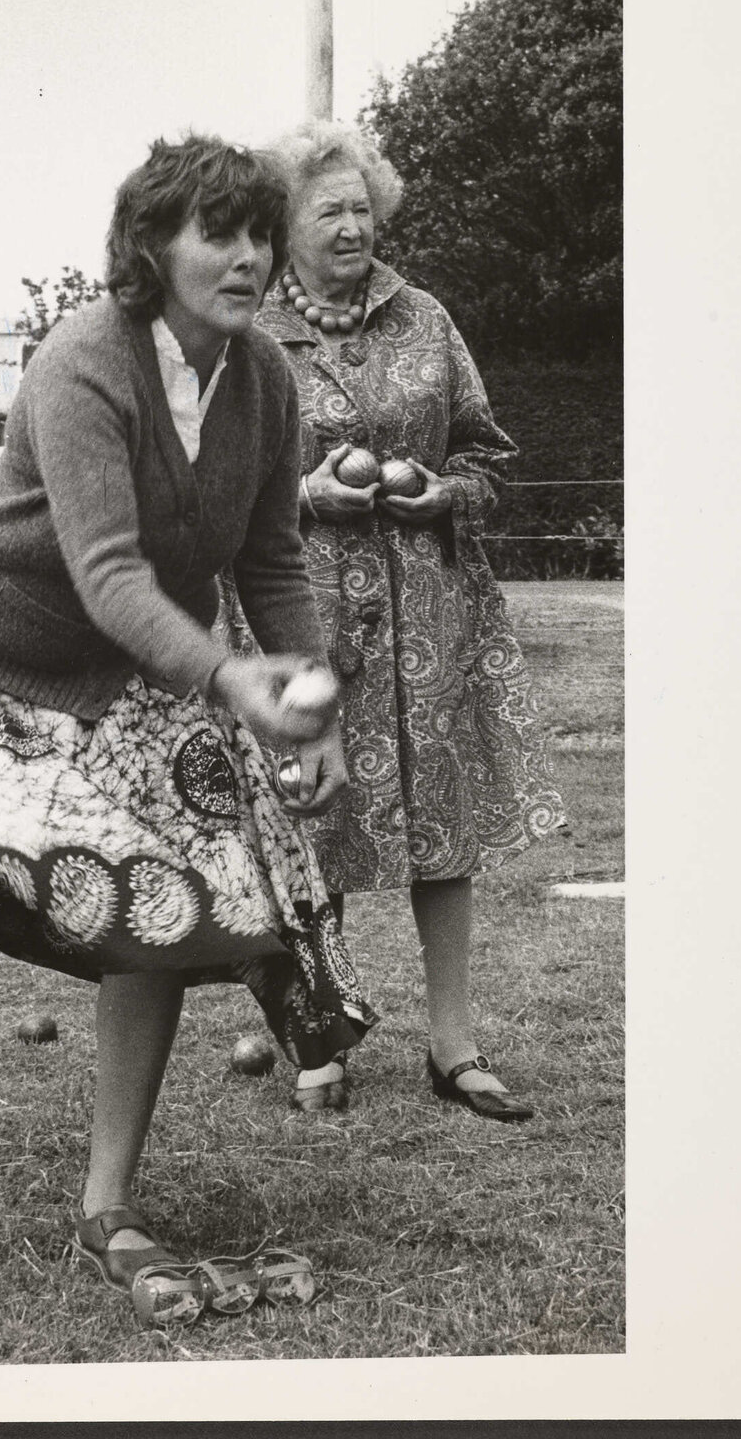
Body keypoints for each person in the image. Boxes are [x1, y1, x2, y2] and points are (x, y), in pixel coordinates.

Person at [0, 135, 377, 1327]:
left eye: (259, 233)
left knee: (156, 896)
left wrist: (306, 705)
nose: (248, 255)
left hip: (147, 663)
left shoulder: (264, 381)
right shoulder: (82, 361)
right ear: (150, 250)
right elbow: (105, 572)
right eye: (219, 233)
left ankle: (107, 1205)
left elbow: (267, 558)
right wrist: (229, 680)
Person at [240, 119, 565, 1120]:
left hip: (432, 608)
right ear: (284, 225)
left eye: (360, 209)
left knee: (443, 829)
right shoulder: (249, 330)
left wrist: (443, 489)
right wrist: (301, 493)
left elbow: (487, 454)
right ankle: (320, 1030)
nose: (349, 227)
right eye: (325, 210)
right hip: (299, 603)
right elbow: (221, 482)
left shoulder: (423, 318)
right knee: (310, 817)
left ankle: (453, 1043)